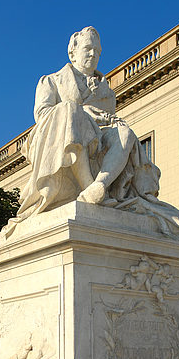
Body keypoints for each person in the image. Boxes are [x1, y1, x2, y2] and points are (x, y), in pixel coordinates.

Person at [17, 26, 159, 220]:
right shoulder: (51, 81)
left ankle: (99, 186)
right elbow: (43, 115)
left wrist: (111, 122)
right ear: (72, 52)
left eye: (97, 51)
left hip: (97, 145)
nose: (93, 54)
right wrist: (82, 113)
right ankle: (87, 185)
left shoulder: (107, 92)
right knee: (70, 109)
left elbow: (107, 127)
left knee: (125, 133)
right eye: (88, 48)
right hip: (61, 142)